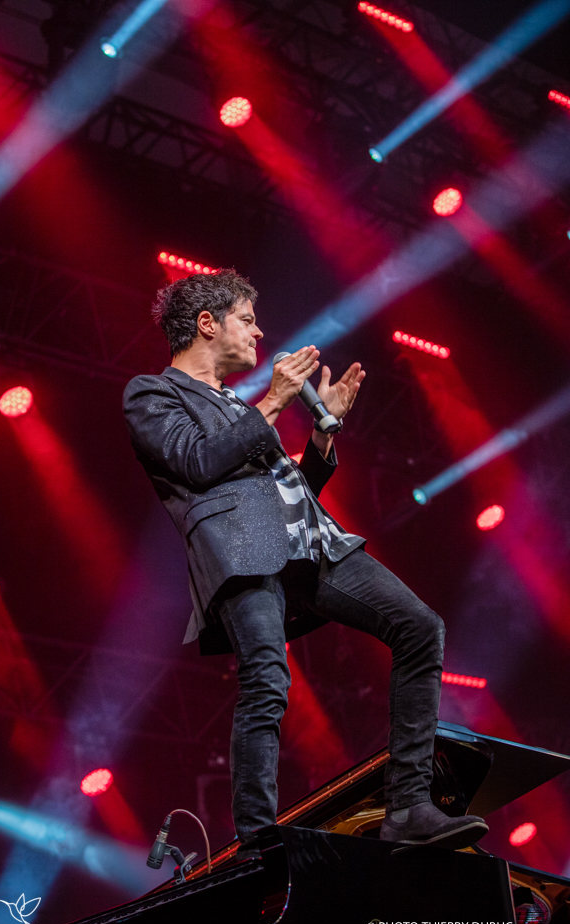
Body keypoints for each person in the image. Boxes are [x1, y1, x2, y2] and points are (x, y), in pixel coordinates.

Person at [123, 269, 488, 852]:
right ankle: (258, 838)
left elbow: (290, 490)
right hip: (242, 555)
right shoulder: (152, 394)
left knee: (420, 628)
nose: (258, 332)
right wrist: (272, 402)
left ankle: (408, 807)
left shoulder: (234, 403)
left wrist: (322, 436)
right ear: (207, 324)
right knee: (267, 677)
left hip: (313, 543)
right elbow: (197, 463)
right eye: (247, 320)